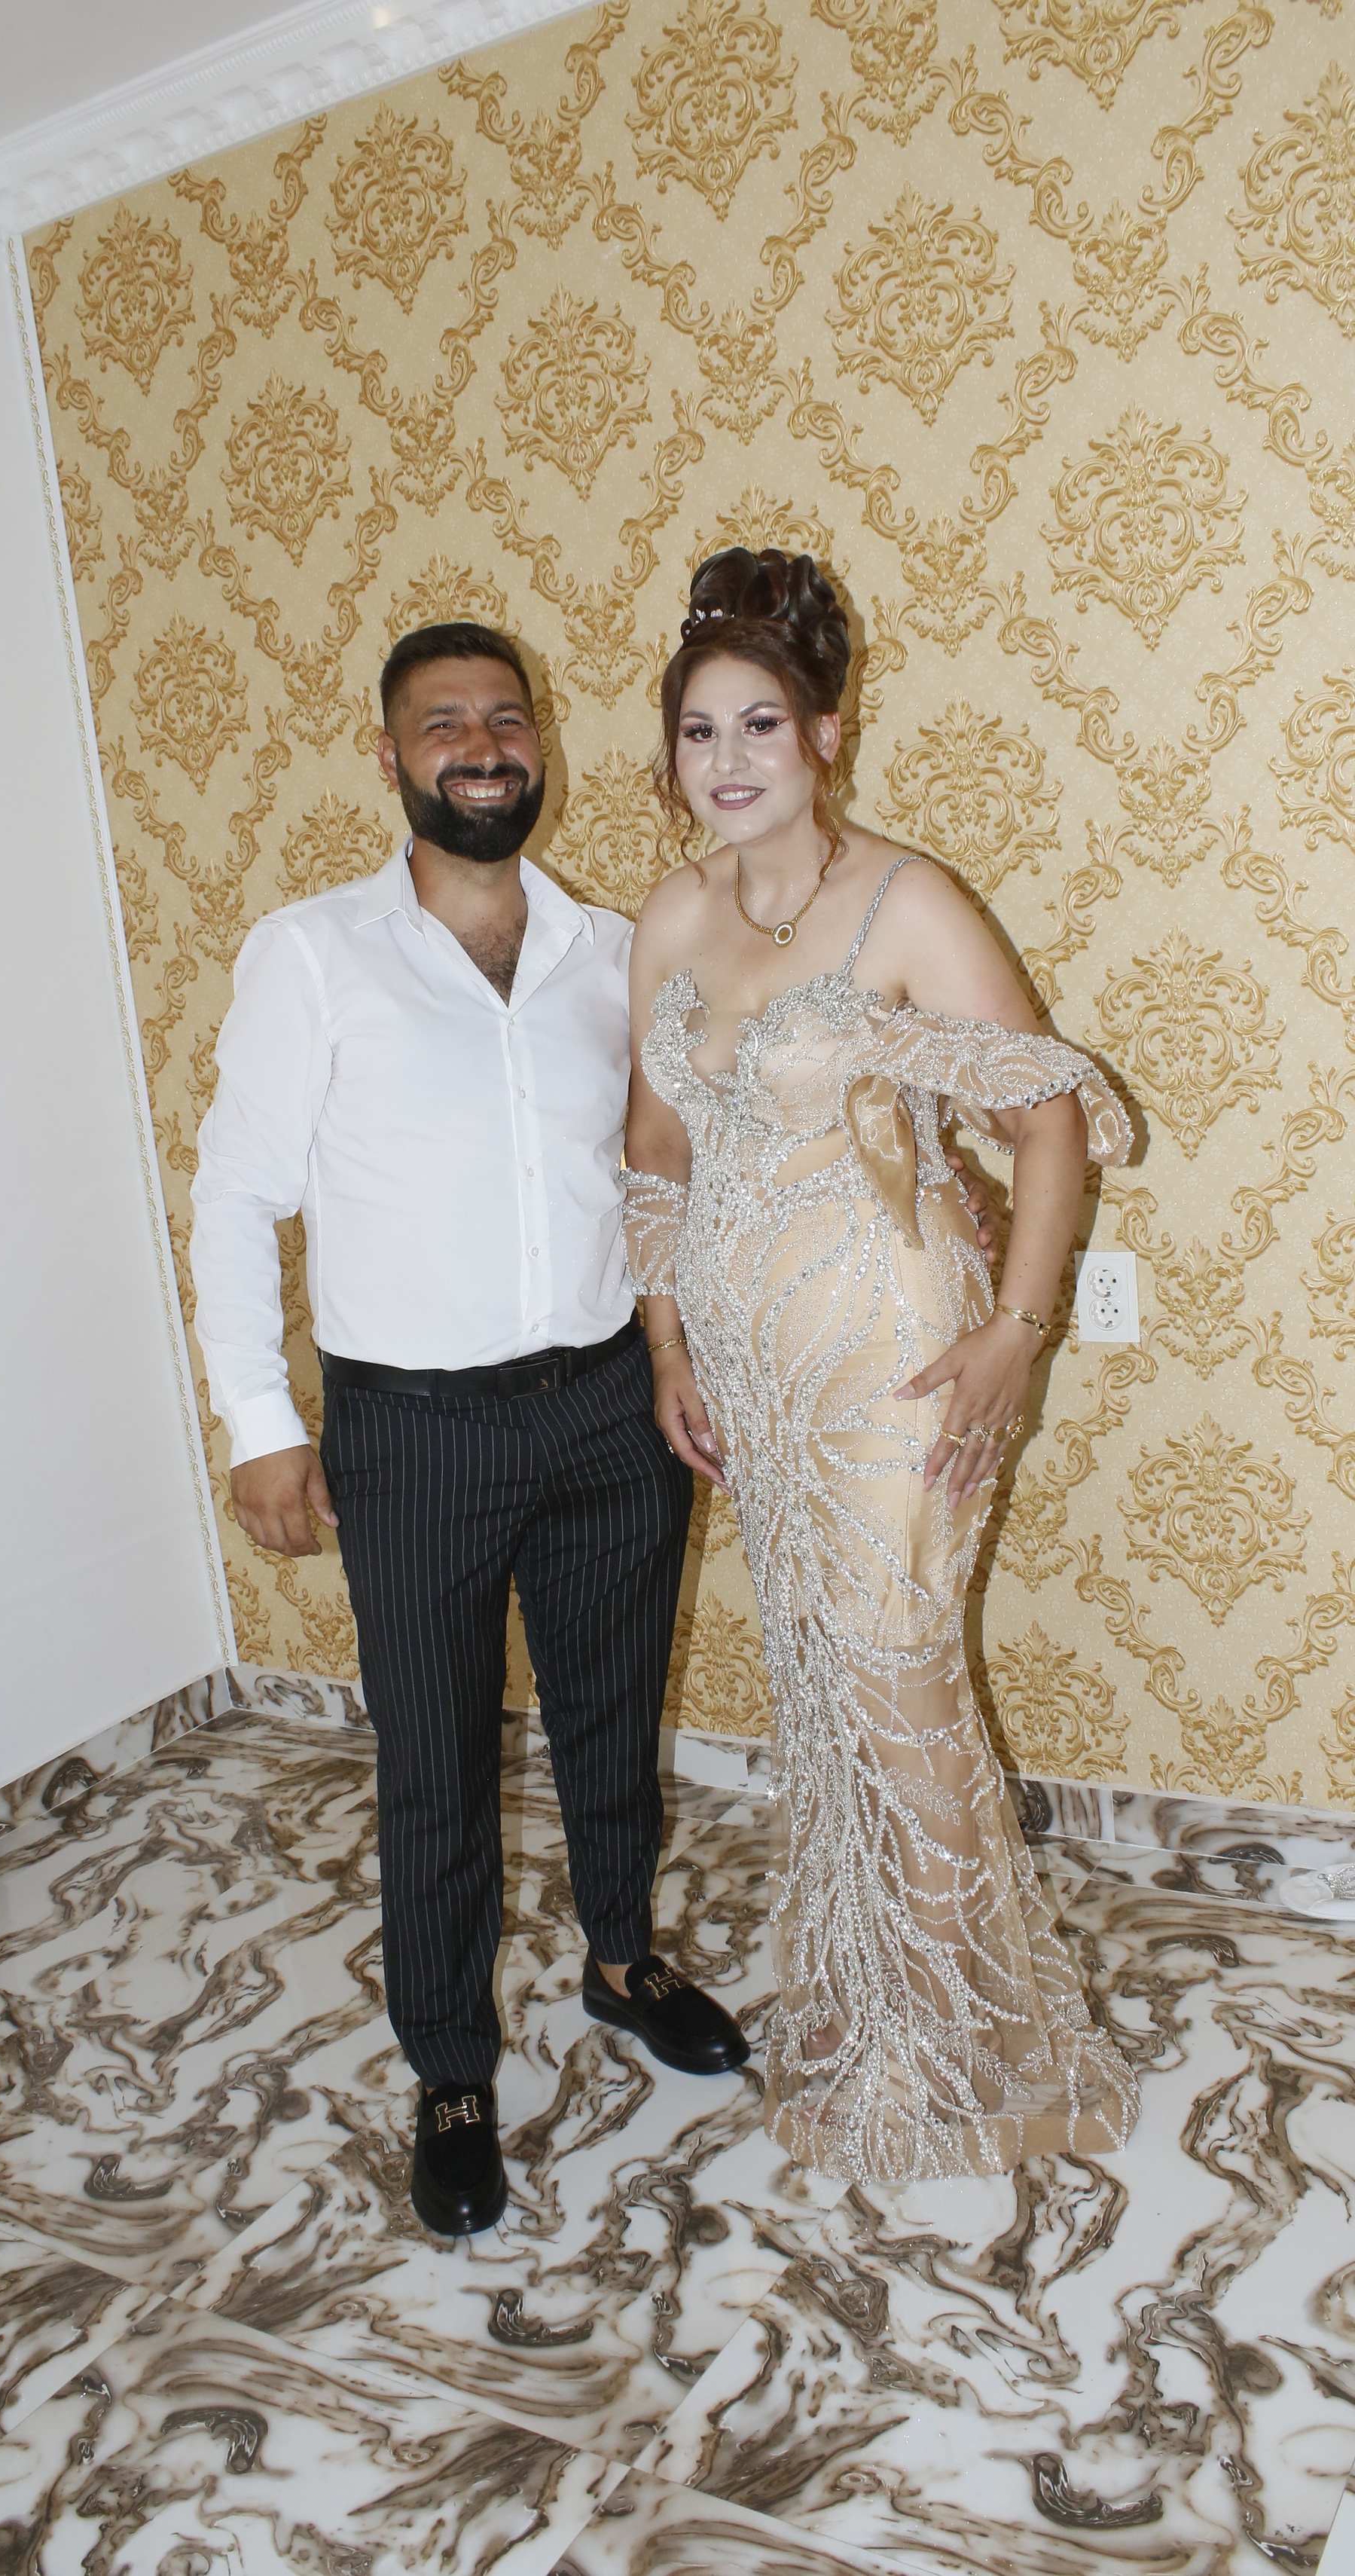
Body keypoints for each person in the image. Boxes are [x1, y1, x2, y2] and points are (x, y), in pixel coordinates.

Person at [189, 622, 752, 2241]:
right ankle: (449, 2069)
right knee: (434, 1762)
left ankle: (623, 1961)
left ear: (541, 746)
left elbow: (666, 1166)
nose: (482, 746)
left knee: (610, 1719)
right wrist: (258, 1423)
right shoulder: (314, 954)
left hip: (605, 1409)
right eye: (444, 723)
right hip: (413, 1430)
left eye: (506, 718)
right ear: (391, 758)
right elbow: (235, 1198)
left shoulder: (615, 951)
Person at [623, 549, 1140, 2186]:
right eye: (699, 731)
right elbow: (657, 1154)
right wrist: (667, 1342)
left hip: (895, 1354)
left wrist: (1016, 1335)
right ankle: (887, 1998)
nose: (728, 760)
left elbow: (1050, 1120)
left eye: (760, 724)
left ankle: (973, 2045)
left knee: (896, 1673)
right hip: (752, 1375)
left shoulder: (905, 902)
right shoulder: (672, 916)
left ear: (826, 734)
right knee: (831, 1689)